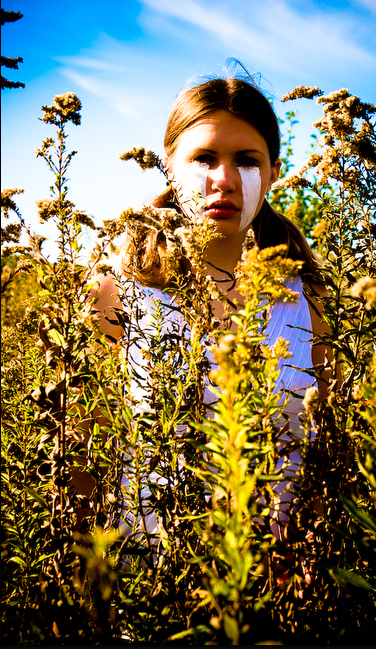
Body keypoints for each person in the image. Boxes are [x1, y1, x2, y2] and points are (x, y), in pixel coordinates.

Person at [78, 71, 333, 563]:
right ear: (170, 169)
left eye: (246, 160)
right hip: (151, 583)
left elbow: (326, 439)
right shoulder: (117, 289)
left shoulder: (305, 294)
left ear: (275, 170)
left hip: (276, 584)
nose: (225, 179)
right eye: (204, 158)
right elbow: (85, 444)